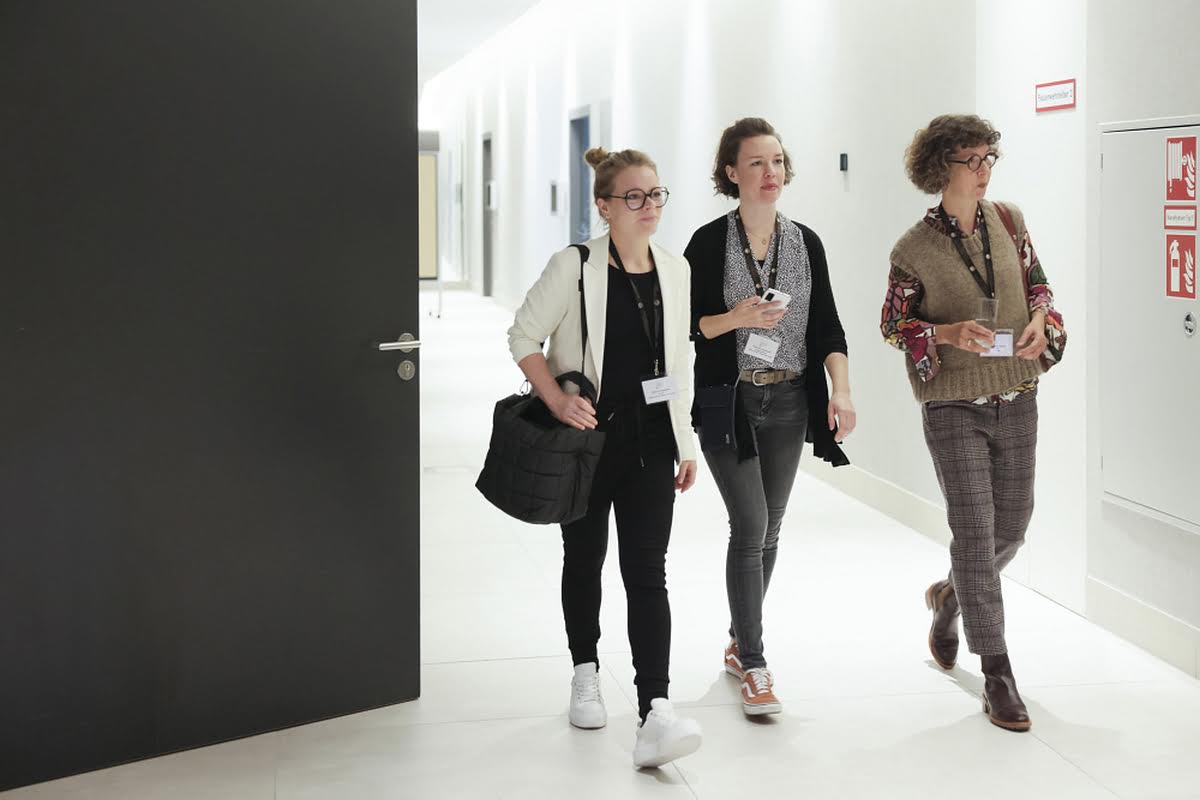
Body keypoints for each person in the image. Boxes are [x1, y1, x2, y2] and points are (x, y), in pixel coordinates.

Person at [507, 146, 702, 767]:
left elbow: (678, 362)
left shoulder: (675, 269)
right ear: (605, 206)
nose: (649, 207)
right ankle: (585, 669)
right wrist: (556, 399)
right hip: (586, 444)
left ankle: (656, 707)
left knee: (647, 571)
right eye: (634, 197)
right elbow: (522, 334)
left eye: (656, 194)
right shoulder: (575, 265)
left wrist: (685, 441)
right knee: (585, 557)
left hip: (651, 442)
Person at [881, 114, 1066, 732]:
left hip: (1017, 393)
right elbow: (893, 325)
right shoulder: (912, 249)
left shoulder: (1009, 220)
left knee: (1012, 528)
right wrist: (945, 332)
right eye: (972, 160)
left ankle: (950, 597)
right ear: (942, 167)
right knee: (975, 532)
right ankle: (997, 672)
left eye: (990, 157)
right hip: (953, 403)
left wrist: (1040, 322)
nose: (984, 170)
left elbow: (1038, 288)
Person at [685, 118, 855, 717]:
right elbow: (690, 326)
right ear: (731, 173)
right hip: (729, 400)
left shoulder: (805, 242)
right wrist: (737, 318)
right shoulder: (708, 243)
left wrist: (841, 390)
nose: (770, 173)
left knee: (770, 529)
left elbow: (827, 325)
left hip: (788, 401)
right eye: (756, 163)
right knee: (751, 524)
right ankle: (755, 663)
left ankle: (739, 642)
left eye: (777, 161)